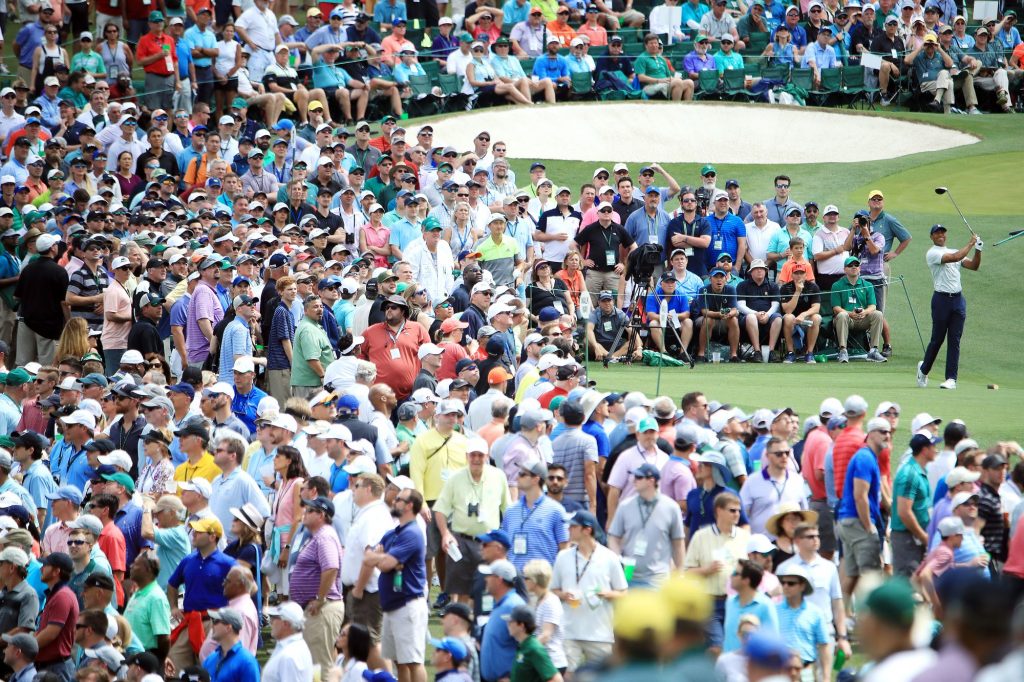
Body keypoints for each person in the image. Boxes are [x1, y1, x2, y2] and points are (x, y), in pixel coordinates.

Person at [550, 511, 627, 672]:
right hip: (569, 631)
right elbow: (553, 590)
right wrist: (563, 595)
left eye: (573, 526)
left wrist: (607, 594)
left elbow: (623, 593)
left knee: (603, 676)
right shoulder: (563, 557)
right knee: (569, 675)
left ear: (587, 530)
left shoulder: (609, 557)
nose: (569, 529)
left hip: (600, 633)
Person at [364, 488, 428, 682]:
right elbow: (368, 557)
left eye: (399, 499)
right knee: (399, 661)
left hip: (407, 604)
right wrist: (383, 558)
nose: (394, 501)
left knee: (413, 661)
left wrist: (383, 559)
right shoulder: (392, 534)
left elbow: (385, 564)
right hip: (392, 605)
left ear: (409, 506)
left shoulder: (412, 533)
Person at [917, 224, 981, 391]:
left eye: (943, 232)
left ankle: (951, 379)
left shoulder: (955, 251)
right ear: (931, 236)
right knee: (937, 339)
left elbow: (974, 266)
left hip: (958, 301)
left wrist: (978, 249)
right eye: (937, 233)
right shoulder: (932, 253)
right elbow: (954, 257)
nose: (941, 235)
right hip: (941, 300)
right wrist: (971, 243)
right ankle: (923, 371)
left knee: (955, 340)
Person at [607, 462, 686, 586]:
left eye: (639, 477)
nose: (634, 480)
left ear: (651, 481)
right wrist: (618, 559)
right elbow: (613, 537)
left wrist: (680, 572)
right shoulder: (625, 506)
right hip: (629, 575)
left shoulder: (671, 507)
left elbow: (678, 542)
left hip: (658, 579)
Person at [775, 564, 832, 675]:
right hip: (780, 670)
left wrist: (826, 677)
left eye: (791, 583)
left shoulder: (815, 613)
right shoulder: (774, 610)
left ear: (802, 586)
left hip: (806, 669)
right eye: (783, 583)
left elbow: (824, 646)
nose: (785, 586)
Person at [829, 255, 886, 363]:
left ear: (859, 268)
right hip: (847, 319)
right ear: (845, 269)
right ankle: (843, 351)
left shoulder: (867, 285)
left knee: (878, 314)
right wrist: (850, 313)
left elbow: (873, 306)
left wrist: (865, 312)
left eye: (856, 265)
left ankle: (873, 351)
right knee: (842, 315)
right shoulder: (837, 285)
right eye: (850, 265)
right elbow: (836, 308)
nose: (854, 267)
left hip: (862, 319)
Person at [505, 604, 563, 682]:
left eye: (510, 621)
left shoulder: (534, 649)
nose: (508, 624)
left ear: (521, 625)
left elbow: (557, 680)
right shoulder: (523, 646)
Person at [202, 607, 261, 682]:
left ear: (228, 627)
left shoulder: (247, 662)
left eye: (215, 621)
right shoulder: (210, 659)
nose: (212, 625)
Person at [262, 601, 314, 682]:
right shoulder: (290, 646)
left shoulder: (289, 657)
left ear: (285, 623)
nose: (271, 622)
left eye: (275, 618)